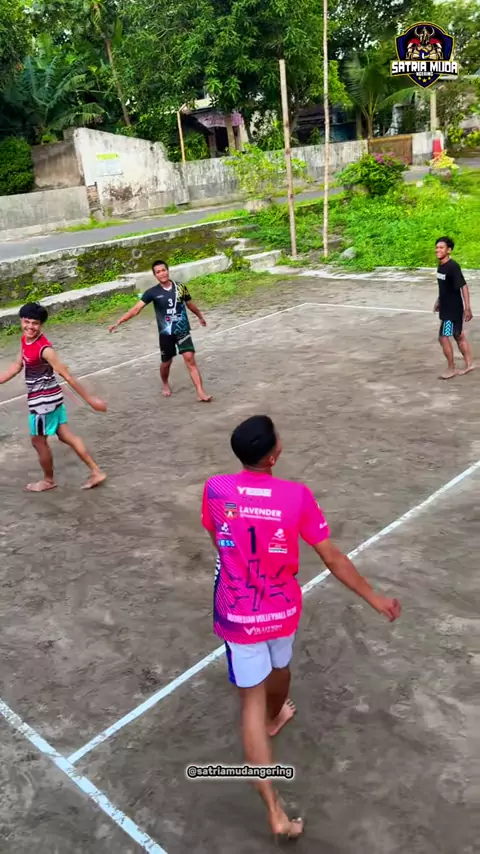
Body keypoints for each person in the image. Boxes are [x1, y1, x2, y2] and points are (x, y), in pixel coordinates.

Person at [201, 415, 401, 842]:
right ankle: (276, 717)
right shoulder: (296, 496)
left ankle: (275, 810)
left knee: (250, 702)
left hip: (238, 613)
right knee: (281, 666)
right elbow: (332, 557)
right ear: (274, 455)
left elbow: (218, 535)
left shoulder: (216, 488)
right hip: (280, 609)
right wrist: (375, 598)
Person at [0, 302, 107, 492]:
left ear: (41, 325)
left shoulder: (45, 349)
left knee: (38, 441)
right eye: (27, 322)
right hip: (51, 399)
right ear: (21, 321)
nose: (30, 327)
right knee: (66, 436)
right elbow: (17, 366)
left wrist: (90, 400)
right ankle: (96, 471)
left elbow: (67, 375)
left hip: (44, 403)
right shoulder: (25, 341)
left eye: (35, 323)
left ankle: (48, 480)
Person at [109, 259, 212, 402]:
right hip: (166, 334)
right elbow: (136, 309)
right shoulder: (152, 292)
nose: (162, 273)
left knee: (190, 360)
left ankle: (200, 392)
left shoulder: (180, 287)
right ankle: (165, 383)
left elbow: (190, 304)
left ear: (167, 271)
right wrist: (119, 321)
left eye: (164, 270)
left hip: (182, 330)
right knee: (166, 363)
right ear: (155, 275)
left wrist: (200, 317)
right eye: (158, 272)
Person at [434, 236, 474, 379]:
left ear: (449, 250)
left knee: (443, 337)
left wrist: (467, 307)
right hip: (446, 307)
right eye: (437, 247)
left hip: (451, 311)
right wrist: (439, 300)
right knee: (458, 335)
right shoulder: (441, 265)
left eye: (441, 248)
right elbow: (444, 287)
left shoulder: (452, 267)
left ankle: (451, 368)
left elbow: (464, 286)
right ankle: (470, 364)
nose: (438, 250)